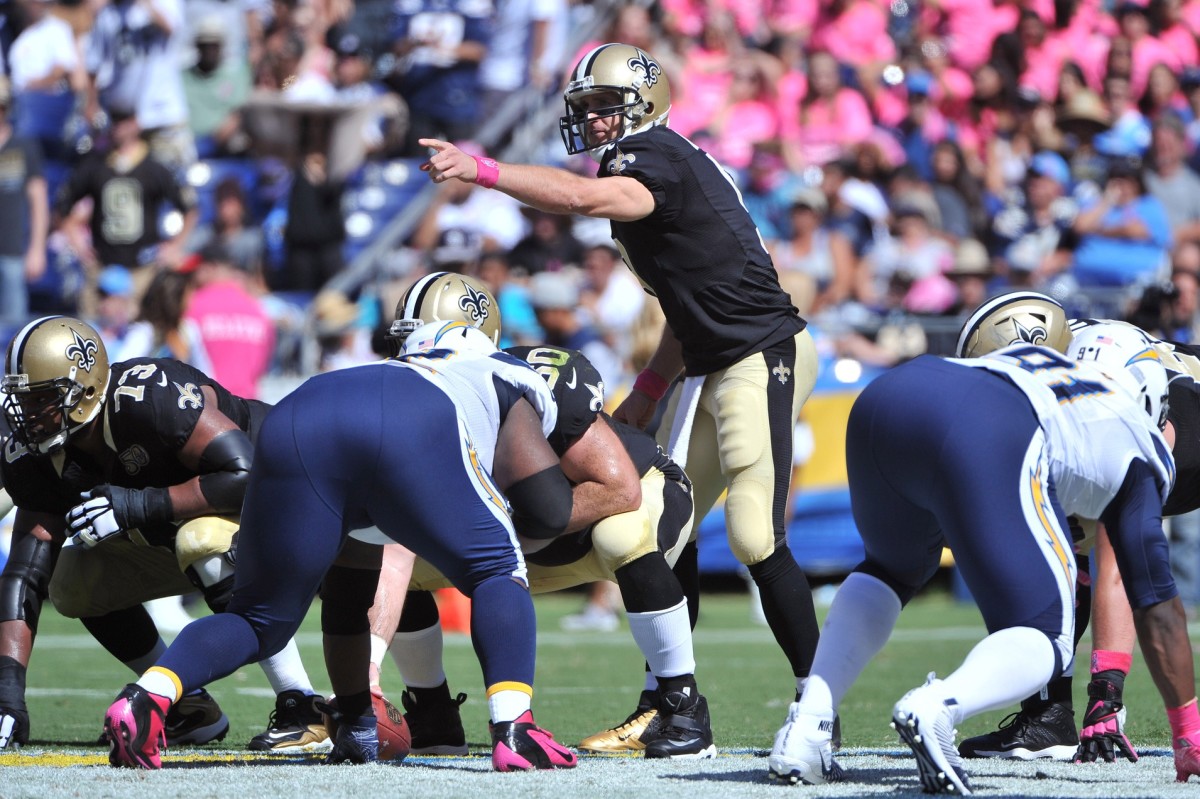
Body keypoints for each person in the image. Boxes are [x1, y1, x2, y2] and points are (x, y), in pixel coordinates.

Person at [418, 42, 821, 733]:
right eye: (588, 108)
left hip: (763, 352)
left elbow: (578, 196)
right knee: (661, 530)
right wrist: (649, 388)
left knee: (756, 535)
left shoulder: (654, 156)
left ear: (643, 104)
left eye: (607, 105)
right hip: (708, 360)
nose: (596, 120)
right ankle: (672, 706)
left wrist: (481, 170)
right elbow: (683, 302)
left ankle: (820, 700)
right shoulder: (647, 168)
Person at [101, 320, 578, 771]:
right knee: (497, 568)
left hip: (301, 408)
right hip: (413, 417)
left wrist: (354, 716)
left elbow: (349, 597)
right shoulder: (502, 369)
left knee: (257, 618)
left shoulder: (396, 366)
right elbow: (549, 509)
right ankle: (515, 727)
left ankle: (147, 698)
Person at [767, 322, 1200, 789]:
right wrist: (1189, 735)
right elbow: (1158, 608)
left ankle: (807, 729)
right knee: (1046, 637)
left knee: (891, 570)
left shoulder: (1054, 371)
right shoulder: (1135, 433)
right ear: (1151, 397)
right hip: (989, 425)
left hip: (891, 396)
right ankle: (937, 707)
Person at [0, 316, 328, 753]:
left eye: (42, 399)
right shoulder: (39, 454)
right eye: (24, 399)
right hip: (173, 531)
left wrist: (138, 505)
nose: (30, 415)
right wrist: (7, 695)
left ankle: (302, 705)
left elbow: (247, 474)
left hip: (281, 498)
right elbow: (24, 575)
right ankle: (186, 708)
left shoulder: (147, 396)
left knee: (203, 539)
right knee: (72, 580)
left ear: (85, 390)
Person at [952, 292, 1200, 764]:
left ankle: (1114, 713)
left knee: (1105, 540)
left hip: (1185, 439)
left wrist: (1106, 695)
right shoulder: (1056, 367)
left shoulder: (1114, 380)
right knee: (1040, 551)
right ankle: (1047, 717)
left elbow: (1120, 562)